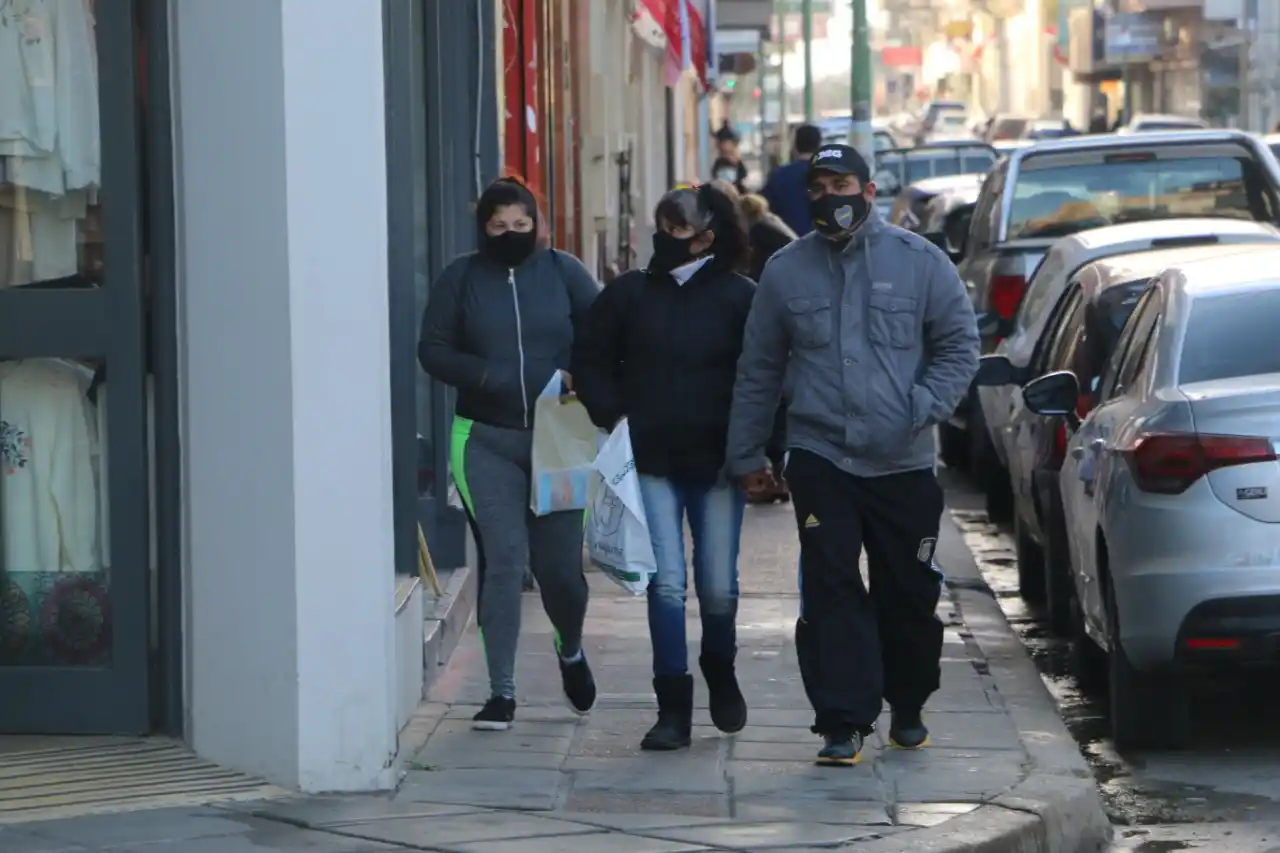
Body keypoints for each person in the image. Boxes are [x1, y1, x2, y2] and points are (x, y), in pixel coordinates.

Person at [726, 144, 980, 767]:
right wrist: (747, 455)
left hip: (904, 462)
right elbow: (758, 369)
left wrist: (922, 406)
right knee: (831, 587)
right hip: (821, 458)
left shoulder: (921, 263)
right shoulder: (786, 271)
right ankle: (842, 720)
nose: (829, 197)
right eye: (819, 187)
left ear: (868, 192)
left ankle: (909, 703)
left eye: (842, 184)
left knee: (907, 593)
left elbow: (959, 346)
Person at [573, 183, 759, 751]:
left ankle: (720, 667)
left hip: (719, 464)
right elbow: (590, 359)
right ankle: (672, 706)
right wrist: (613, 416)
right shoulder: (629, 295)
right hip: (650, 460)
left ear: (708, 237)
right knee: (668, 585)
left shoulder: (741, 298)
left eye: (676, 228)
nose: (664, 237)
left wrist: (760, 449)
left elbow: (765, 376)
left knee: (719, 587)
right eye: (661, 224)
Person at [418, 176, 602, 731]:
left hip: (560, 436)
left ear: (537, 224)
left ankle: (569, 648)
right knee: (502, 562)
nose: (511, 234)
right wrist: (488, 375)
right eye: (499, 227)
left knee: (560, 572)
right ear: (483, 229)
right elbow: (433, 349)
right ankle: (501, 692)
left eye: (522, 225)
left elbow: (603, 335)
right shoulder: (461, 278)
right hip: (484, 438)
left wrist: (582, 379)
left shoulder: (564, 272)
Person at [738, 192, 796, 503]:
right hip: (788, 306)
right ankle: (779, 472)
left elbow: (760, 271)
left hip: (778, 308)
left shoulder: (760, 231)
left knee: (770, 392)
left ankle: (774, 473)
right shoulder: (771, 224)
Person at [761, 123, 823, 236]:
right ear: (819, 146)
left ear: (795, 146)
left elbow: (763, 210)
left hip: (786, 243)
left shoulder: (779, 175)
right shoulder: (828, 175)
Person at [711, 122, 749, 194]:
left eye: (723, 142)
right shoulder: (720, 161)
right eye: (719, 142)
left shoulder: (735, 160)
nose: (719, 145)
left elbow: (743, 175)